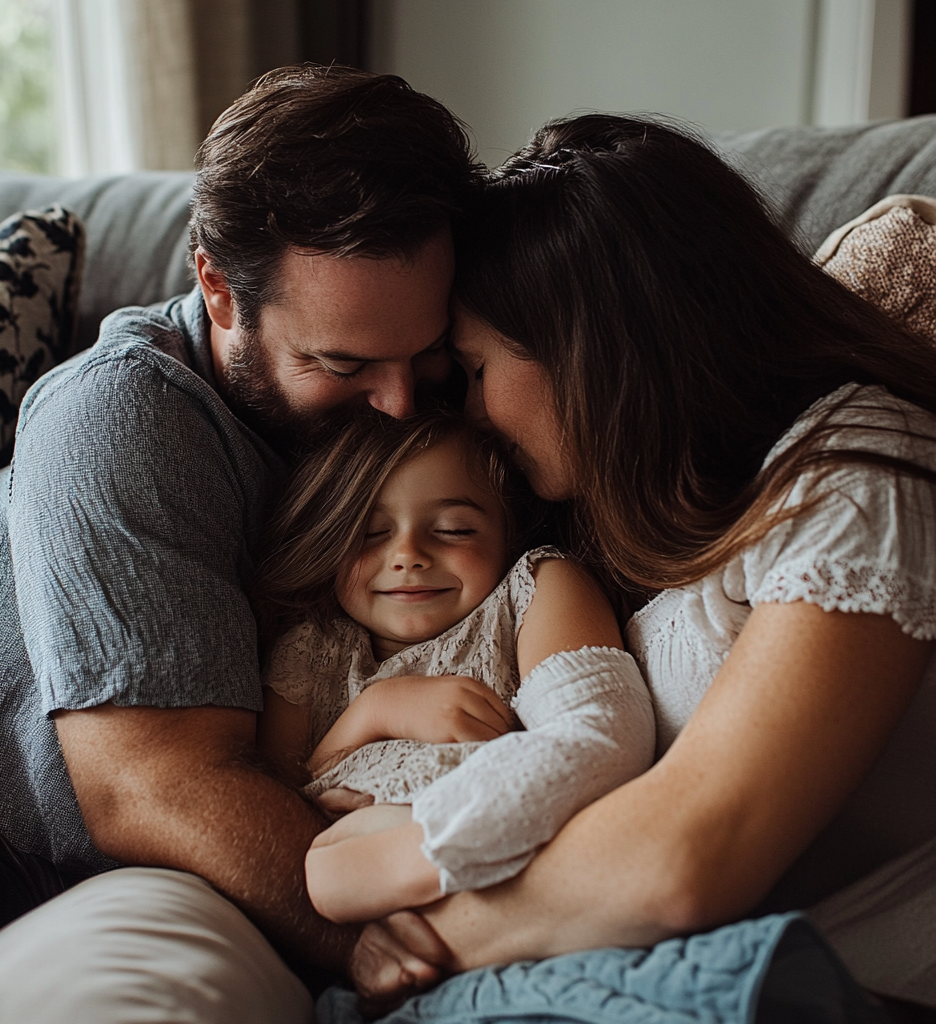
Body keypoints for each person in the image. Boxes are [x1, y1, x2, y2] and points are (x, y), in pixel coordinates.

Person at [0, 65, 481, 1022]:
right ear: (219, 287)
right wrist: (381, 940)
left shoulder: (422, 400)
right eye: (341, 362)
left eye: (421, 355)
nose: (397, 404)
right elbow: (155, 787)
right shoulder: (122, 413)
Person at [347, 115, 936, 1019]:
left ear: (586, 345)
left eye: (473, 371)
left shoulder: (853, 474)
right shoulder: (644, 518)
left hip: (843, 983)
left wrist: (440, 929)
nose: (464, 415)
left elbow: (685, 860)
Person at [253, 411, 654, 923]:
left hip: (516, 849)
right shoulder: (310, 651)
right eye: (371, 533)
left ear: (507, 529)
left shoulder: (534, 592)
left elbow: (599, 743)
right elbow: (273, 808)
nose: (408, 555)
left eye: (453, 529)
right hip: (361, 886)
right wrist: (374, 712)